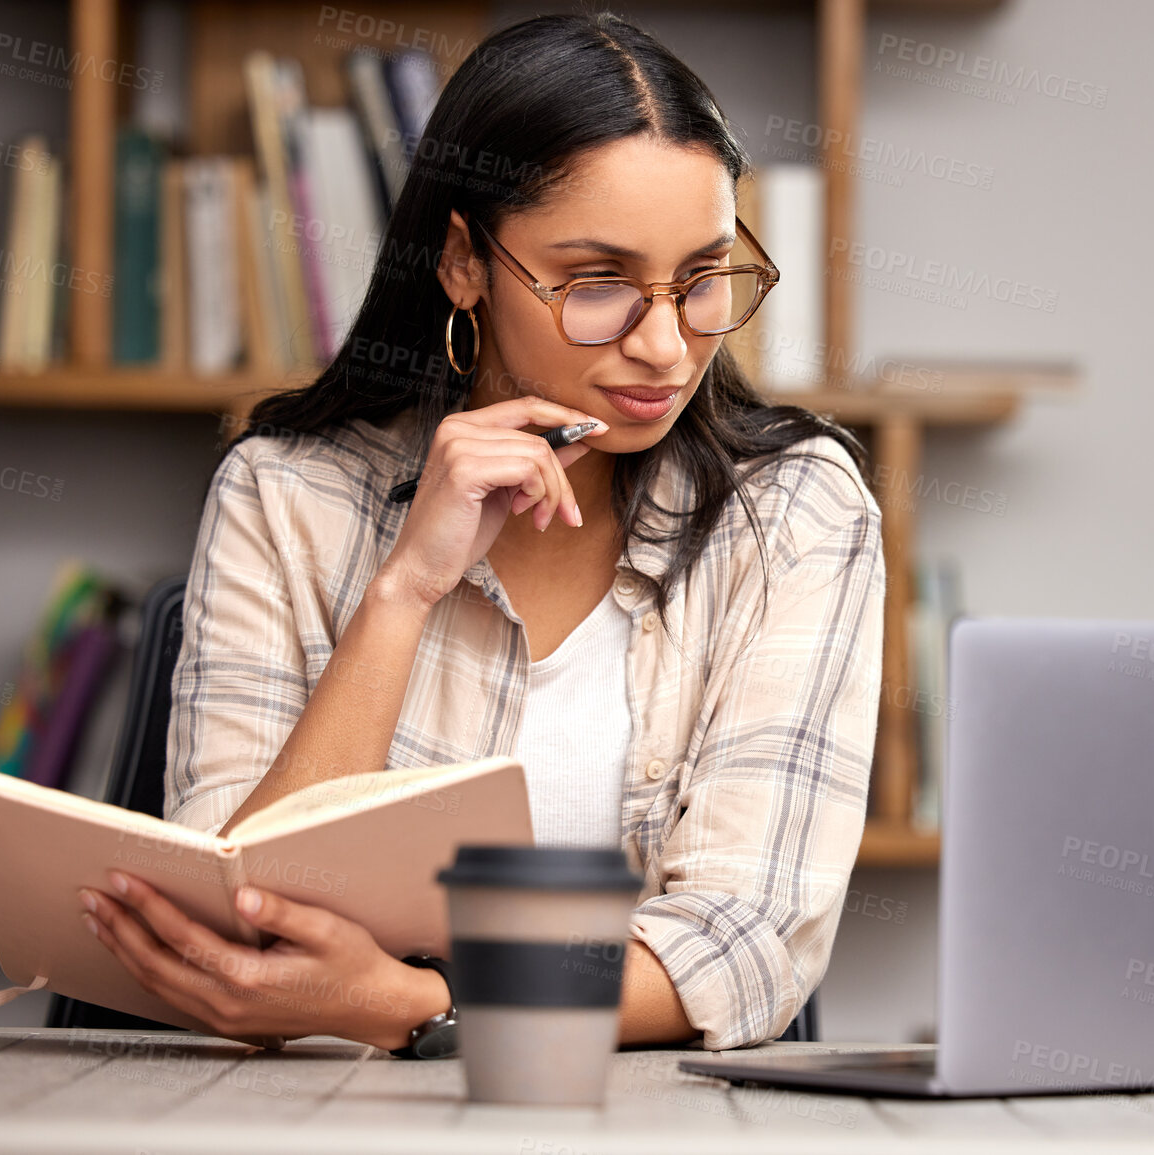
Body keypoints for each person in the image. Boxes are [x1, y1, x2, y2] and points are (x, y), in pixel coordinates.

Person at [73, 12, 884, 1056]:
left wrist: (420, 1006)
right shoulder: (284, 496)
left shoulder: (794, 513)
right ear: (464, 262)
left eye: (701, 278)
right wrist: (405, 590)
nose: (665, 345)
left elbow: (741, 944)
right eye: (595, 283)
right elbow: (235, 927)